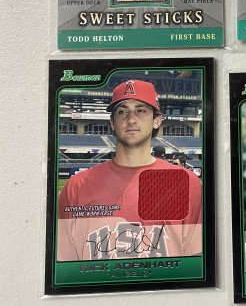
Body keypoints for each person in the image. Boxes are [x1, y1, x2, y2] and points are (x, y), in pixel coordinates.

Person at [57, 79, 202, 261]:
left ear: (157, 120)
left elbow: (197, 263)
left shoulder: (186, 183)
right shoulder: (76, 187)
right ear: (112, 122)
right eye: (122, 111)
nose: (131, 119)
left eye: (141, 111)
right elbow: (65, 264)